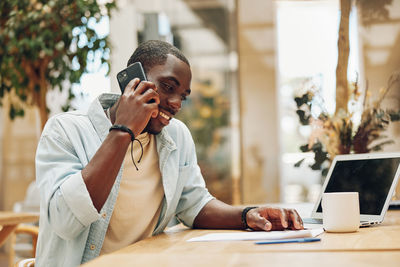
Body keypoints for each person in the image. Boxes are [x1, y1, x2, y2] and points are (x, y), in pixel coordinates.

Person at [35, 40, 303, 267]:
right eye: (168, 87)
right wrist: (123, 130)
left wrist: (247, 215)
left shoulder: (177, 136)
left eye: (183, 96)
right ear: (133, 79)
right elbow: (65, 220)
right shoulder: (65, 130)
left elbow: (193, 204)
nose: (176, 104)